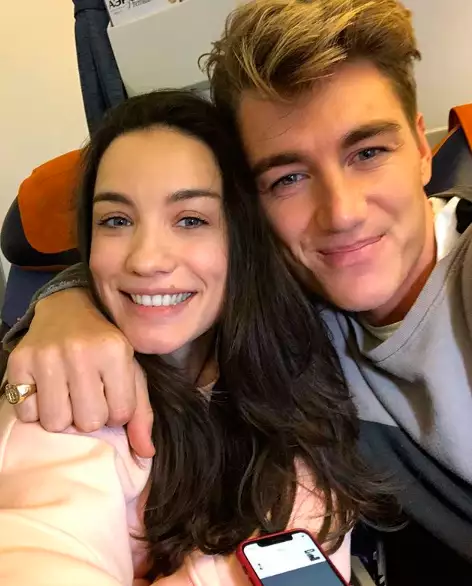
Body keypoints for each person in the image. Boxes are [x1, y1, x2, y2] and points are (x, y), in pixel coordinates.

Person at [3, 0, 472, 582]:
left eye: (368, 153)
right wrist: (65, 307)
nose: (342, 213)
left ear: (424, 151)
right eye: (288, 177)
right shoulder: (294, 324)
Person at [0, 89, 385, 584]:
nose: (146, 259)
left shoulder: (300, 357)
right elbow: (39, 538)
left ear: (242, 237)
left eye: (190, 220)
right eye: (116, 220)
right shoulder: (69, 396)